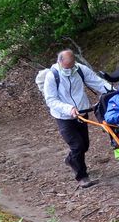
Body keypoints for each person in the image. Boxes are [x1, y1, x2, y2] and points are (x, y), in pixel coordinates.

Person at [43, 49, 111, 188]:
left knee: (84, 145)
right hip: (63, 117)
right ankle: (82, 177)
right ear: (60, 62)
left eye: (72, 64)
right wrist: (68, 109)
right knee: (77, 145)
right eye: (67, 66)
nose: (70, 68)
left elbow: (97, 82)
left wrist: (113, 92)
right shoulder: (52, 76)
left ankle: (71, 160)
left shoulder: (80, 69)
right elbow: (51, 100)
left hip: (82, 112)